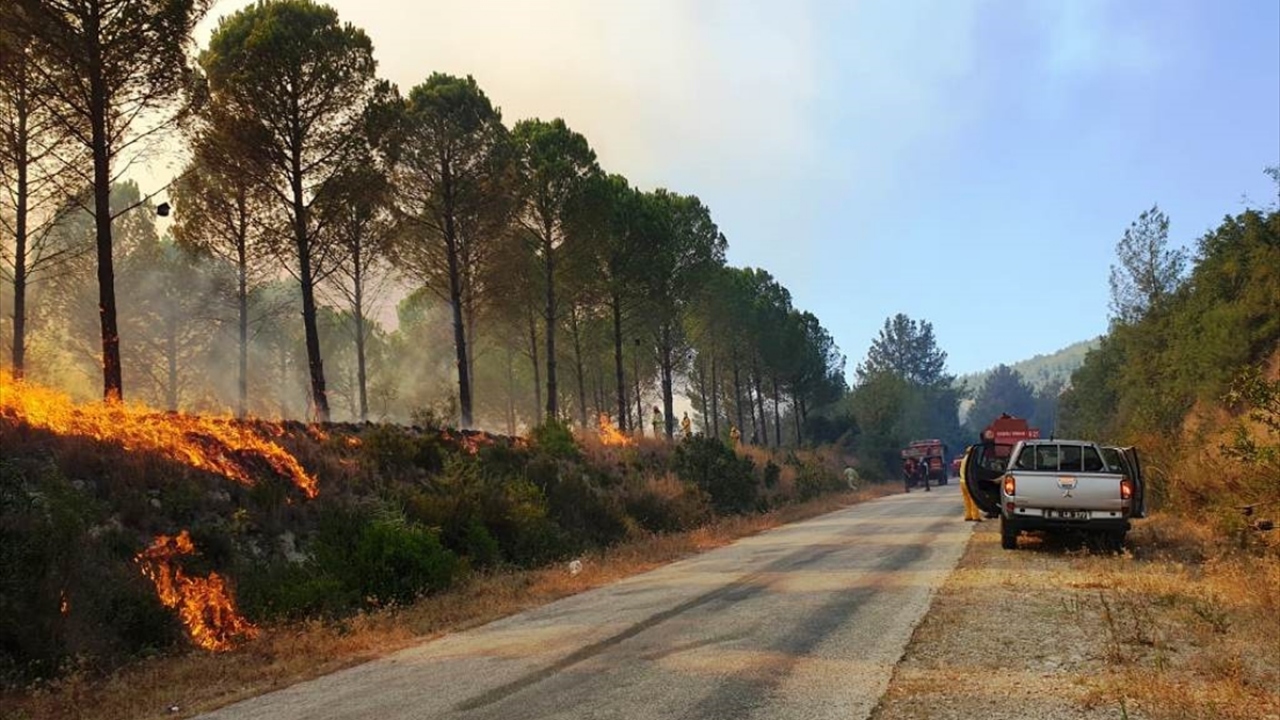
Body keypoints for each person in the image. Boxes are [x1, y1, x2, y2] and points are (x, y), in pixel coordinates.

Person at [959, 446, 983, 521]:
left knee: (966, 500)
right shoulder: (970, 460)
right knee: (973, 499)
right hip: (968, 482)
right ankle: (976, 516)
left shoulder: (964, 459)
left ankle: (968, 515)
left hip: (962, 482)